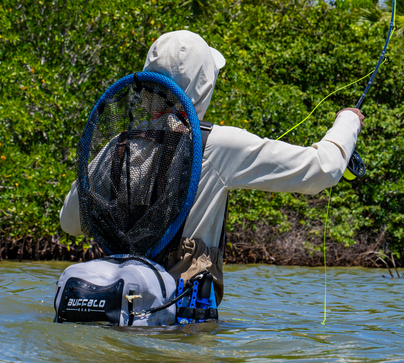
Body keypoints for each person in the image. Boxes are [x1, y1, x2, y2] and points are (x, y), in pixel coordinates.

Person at [60, 30, 364, 306]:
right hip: (180, 328)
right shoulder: (218, 145)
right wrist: (348, 120)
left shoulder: (117, 145)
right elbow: (324, 169)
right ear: (204, 84)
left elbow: (70, 223)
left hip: (118, 308)